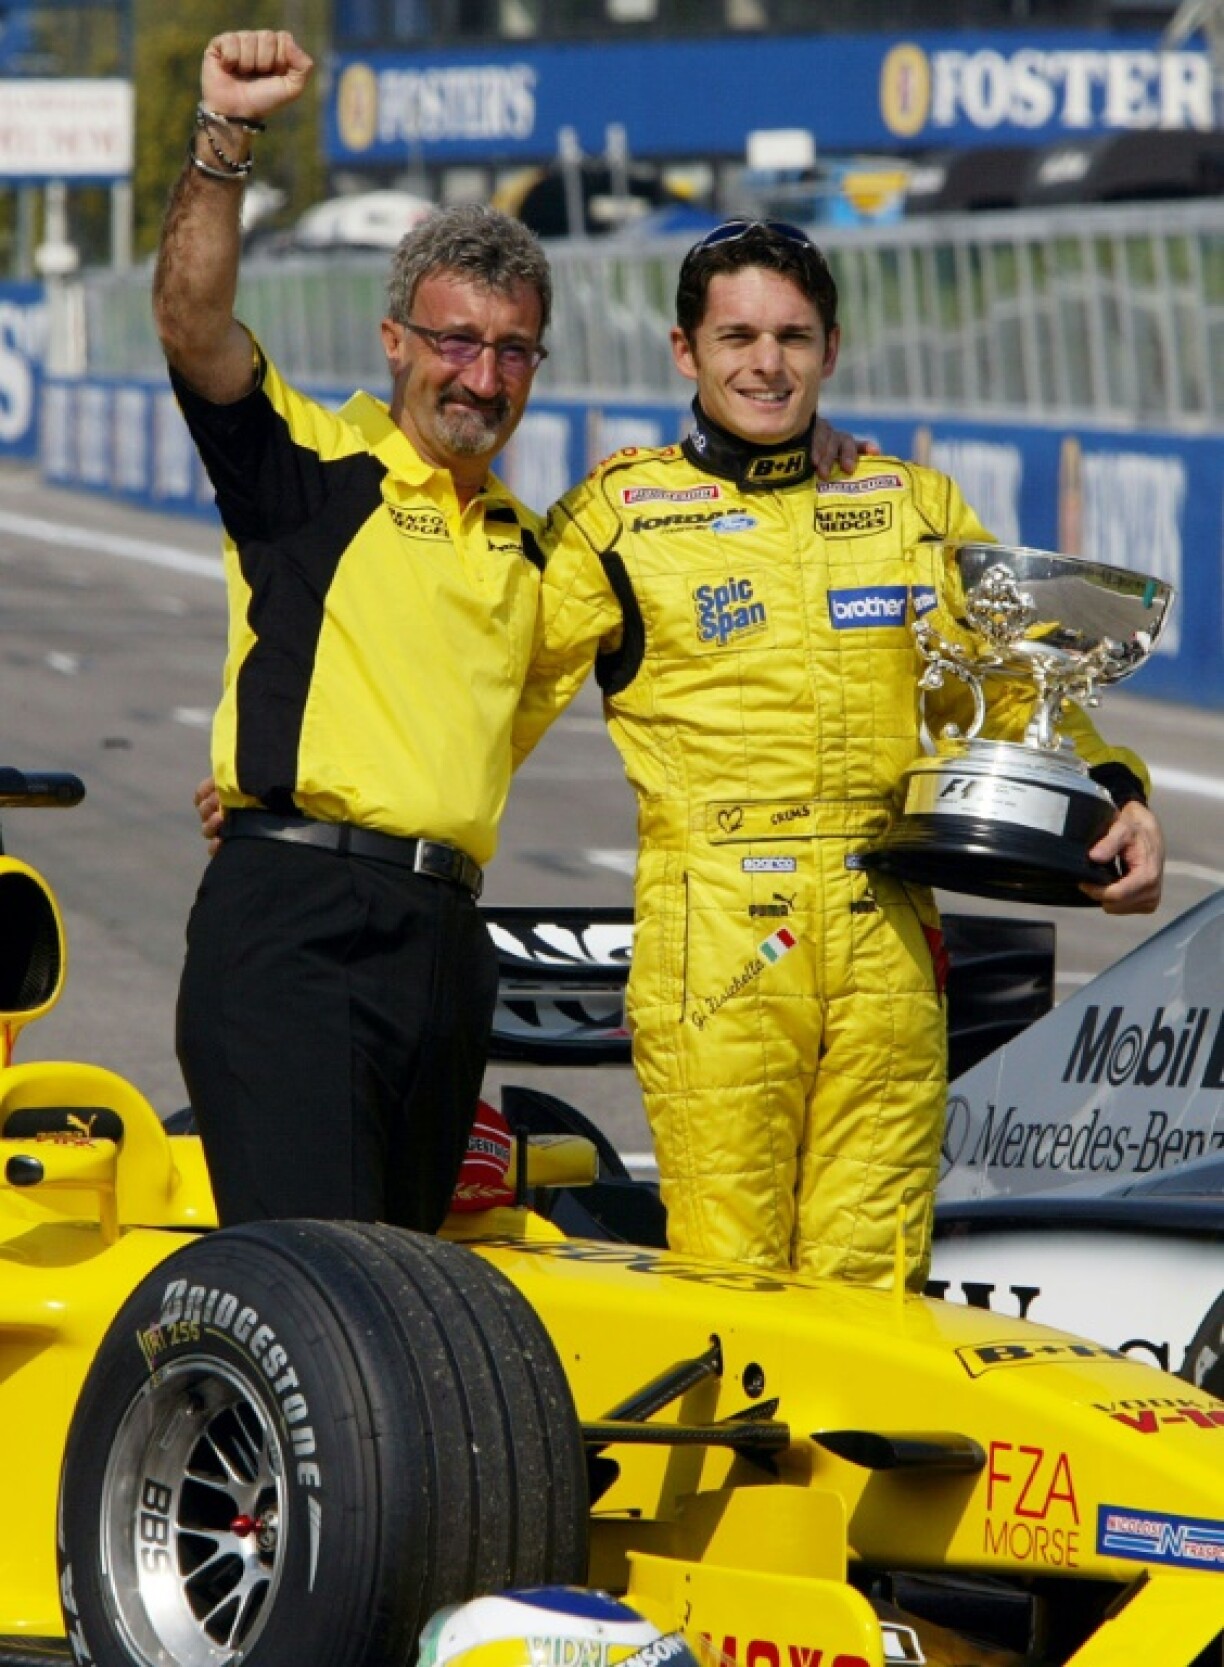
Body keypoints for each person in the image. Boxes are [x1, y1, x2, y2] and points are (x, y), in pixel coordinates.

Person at [164, 31, 867, 1230]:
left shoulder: (541, 546)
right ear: (396, 341)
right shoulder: (306, 468)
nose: (479, 376)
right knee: (325, 1299)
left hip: (445, 943)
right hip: (296, 927)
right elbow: (192, 319)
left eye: (509, 350)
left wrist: (806, 466)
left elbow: (693, 557)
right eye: (453, 341)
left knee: (413, 1308)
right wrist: (226, 138)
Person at [509, 219, 1165, 1289]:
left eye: (792, 337)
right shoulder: (615, 518)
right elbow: (493, 703)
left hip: (884, 934)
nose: (766, 363)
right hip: (719, 944)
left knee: (872, 1280)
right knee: (733, 1283)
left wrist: (1113, 791)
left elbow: (1016, 690)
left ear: (831, 349)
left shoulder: (904, 502)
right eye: (737, 337)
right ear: (686, 352)